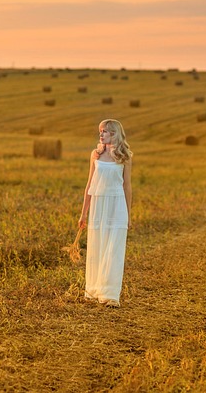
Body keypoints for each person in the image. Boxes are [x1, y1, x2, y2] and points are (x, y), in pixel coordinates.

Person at [74, 119, 132, 307]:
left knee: (114, 247)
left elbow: (127, 186)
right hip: (98, 204)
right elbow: (89, 185)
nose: (101, 134)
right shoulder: (95, 154)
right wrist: (83, 214)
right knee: (97, 245)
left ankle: (110, 294)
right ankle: (93, 289)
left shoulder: (125, 156)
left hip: (117, 204)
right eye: (100, 131)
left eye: (105, 131)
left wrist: (129, 215)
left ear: (114, 133)